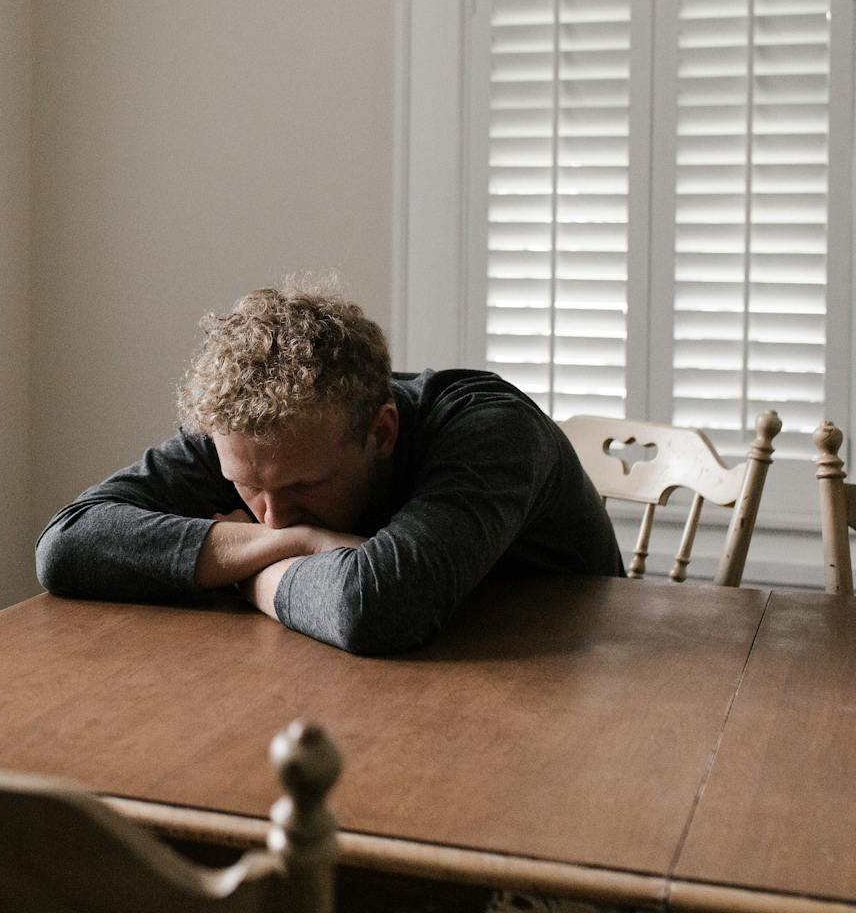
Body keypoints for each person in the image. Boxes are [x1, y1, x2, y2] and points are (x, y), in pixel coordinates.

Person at [34, 280, 624, 655]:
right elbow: (66, 546)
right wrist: (300, 544)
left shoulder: (490, 429)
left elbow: (377, 607)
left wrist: (243, 573)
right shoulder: (252, 435)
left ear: (382, 432)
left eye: (304, 489)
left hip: (580, 679)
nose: (273, 517)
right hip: (379, 676)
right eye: (247, 487)